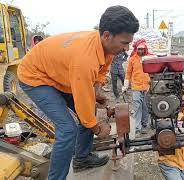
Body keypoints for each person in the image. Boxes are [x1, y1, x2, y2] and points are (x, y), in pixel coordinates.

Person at [17, 6, 139, 180]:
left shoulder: (107, 47)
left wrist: (97, 89)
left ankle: (82, 158)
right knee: (68, 130)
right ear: (106, 35)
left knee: (89, 111)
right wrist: (97, 127)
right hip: (35, 76)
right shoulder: (84, 60)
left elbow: (101, 71)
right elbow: (83, 103)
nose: (127, 48)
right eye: (124, 43)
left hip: (59, 73)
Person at [122, 39, 150, 135]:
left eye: (142, 49)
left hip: (147, 87)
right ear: (136, 49)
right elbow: (128, 73)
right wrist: (126, 85)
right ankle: (138, 127)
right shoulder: (132, 59)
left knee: (146, 107)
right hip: (136, 87)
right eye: (139, 49)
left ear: (145, 49)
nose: (141, 51)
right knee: (137, 106)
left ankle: (145, 125)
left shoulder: (149, 58)